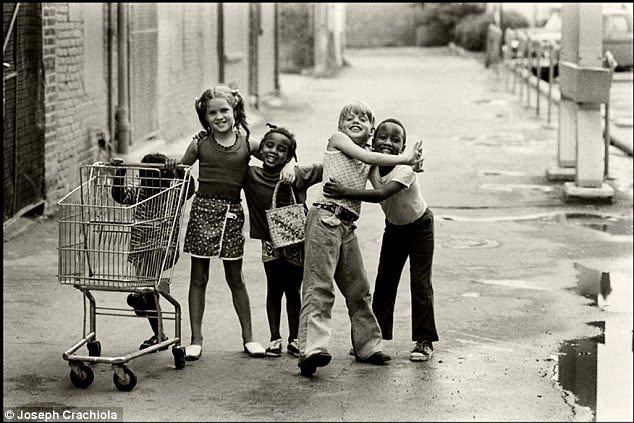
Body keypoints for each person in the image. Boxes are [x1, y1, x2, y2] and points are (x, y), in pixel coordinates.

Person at [297, 101, 424, 377]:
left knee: (359, 289)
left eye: (363, 120)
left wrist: (413, 164)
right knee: (319, 287)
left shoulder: (368, 156)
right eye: (348, 118)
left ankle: (368, 346)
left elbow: (381, 167)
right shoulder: (338, 140)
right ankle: (311, 350)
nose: (355, 121)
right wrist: (405, 158)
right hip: (325, 219)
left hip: (346, 226)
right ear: (340, 126)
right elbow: (371, 160)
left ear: (371, 132)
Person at [177, 85, 295, 361]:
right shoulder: (199, 144)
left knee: (235, 278)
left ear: (235, 111)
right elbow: (180, 171)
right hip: (202, 213)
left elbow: (276, 155)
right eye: (212, 112)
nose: (219, 117)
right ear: (204, 117)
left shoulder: (247, 143)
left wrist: (289, 165)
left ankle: (249, 338)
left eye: (224, 110)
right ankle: (196, 339)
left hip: (231, 216)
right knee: (198, 277)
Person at [323, 118, 438, 362]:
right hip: (394, 228)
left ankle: (424, 341)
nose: (387, 143)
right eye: (382, 138)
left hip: (420, 227)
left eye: (396, 140)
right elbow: (347, 165)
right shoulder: (371, 164)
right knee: (385, 281)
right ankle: (372, 340)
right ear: (373, 140)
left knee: (420, 283)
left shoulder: (404, 170)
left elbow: (380, 194)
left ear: (403, 147)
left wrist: (345, 192)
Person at [243, 123, 323, 358]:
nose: (273, 152)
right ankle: (274, 338)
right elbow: (243, 145)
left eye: (282, 150)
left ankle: (295, 338)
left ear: (290, 155)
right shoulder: (250, 175)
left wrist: (292, 165)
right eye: (269, 146)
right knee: (273, 289)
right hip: (270, 243)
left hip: (296, 243)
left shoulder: (296, 175)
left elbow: (324, 168)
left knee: (293, 290)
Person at [111, 153, 195, 351]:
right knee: (147, 289)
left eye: (154, 176)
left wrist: (178, 169)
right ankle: (158, 333)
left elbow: (190, 187)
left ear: (166, 178)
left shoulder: (173, 193)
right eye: (144, 175)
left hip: (162, 248)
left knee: (147, 286)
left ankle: (145, 305)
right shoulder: (139, 193)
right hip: (140, 248)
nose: (148, 181)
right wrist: (120, 171)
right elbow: (119, 195)